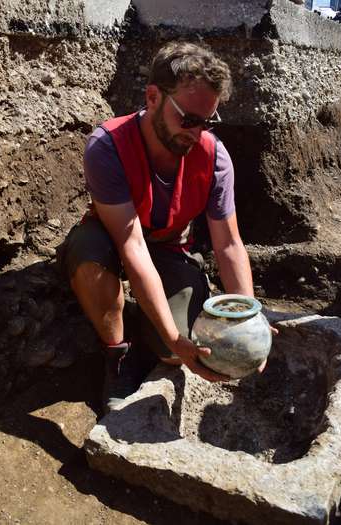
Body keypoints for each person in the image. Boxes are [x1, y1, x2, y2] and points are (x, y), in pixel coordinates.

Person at [57, 41, 262, 413]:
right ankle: (117, 353)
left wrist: (248, 317)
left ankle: (141, 318)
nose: (197, 133)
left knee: (174, 350)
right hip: (112, 237)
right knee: (89, 262)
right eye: (188, 119)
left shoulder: (214, 159)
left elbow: (229, 244)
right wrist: (169, 331)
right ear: (153, 97)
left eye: (207, 122)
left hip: (168, 247)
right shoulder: (108, 147)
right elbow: (131, 246)